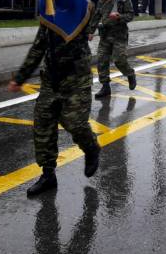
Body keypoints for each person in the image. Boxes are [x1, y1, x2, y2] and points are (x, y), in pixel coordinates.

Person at [7, 22, 101, 197]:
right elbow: (38, 48)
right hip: (51, 79)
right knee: (43, 123)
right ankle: (48, 175)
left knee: (74, 123)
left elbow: (89, 20)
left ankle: (91, 147)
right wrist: (20, 78)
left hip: (76, 79)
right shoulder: (48, 17)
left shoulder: (79, 8)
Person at [86, 0, 137, 98]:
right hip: (105, 36)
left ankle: (130, 74)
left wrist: (119, 17)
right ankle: (105, 87)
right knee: (101, 61)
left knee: (119, 60)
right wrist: (91, 31)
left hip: (119, 36)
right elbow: (96, 15)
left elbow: (130, 15)